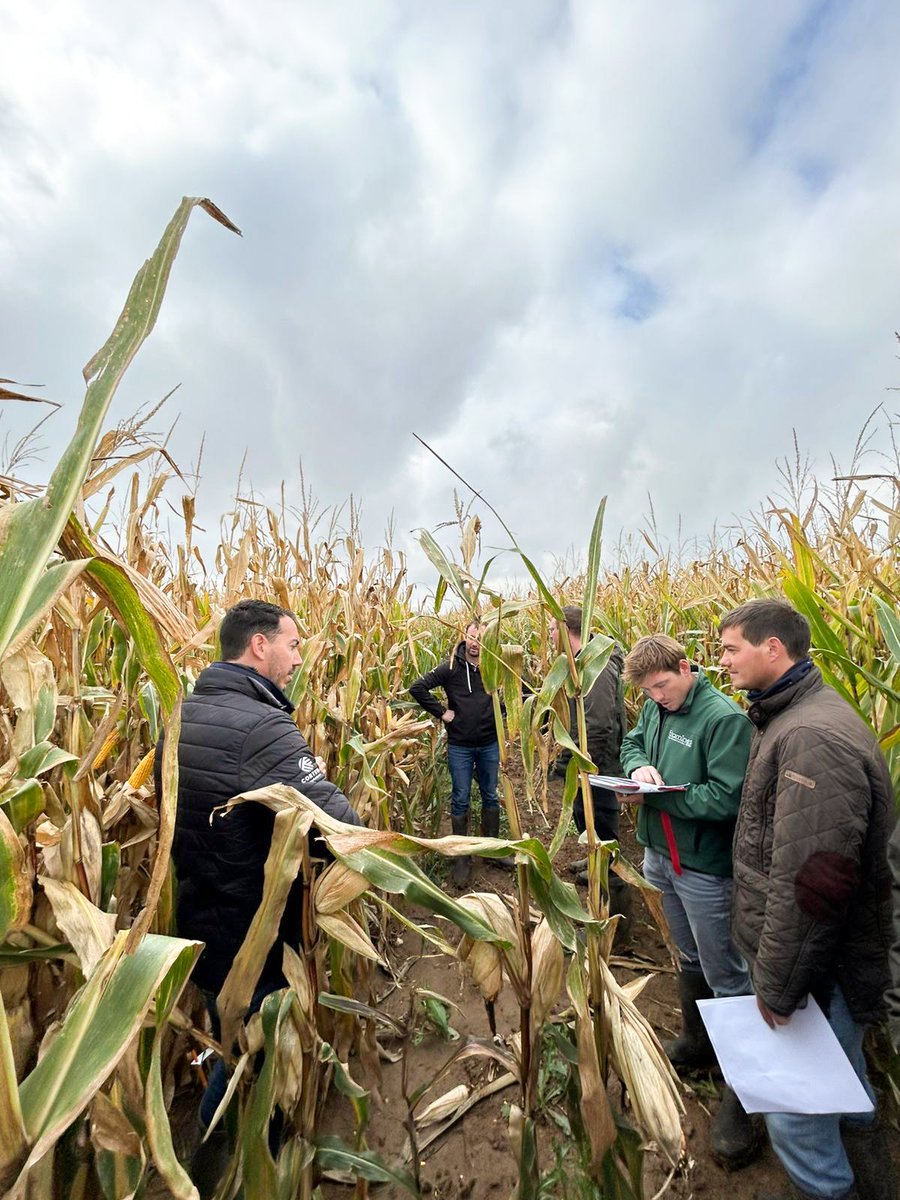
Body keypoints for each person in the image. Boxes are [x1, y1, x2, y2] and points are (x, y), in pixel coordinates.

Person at [161, 599, 362, 1195]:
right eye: (293, 646)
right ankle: (245, 1170)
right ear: (258, 646)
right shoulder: (264, 728)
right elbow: (341, 830)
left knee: (229, 1046)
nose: (298, 659)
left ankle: (210, 1163)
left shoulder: (181, 715)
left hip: (199, 923)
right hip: (258, 933)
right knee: (260, 1061)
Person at [720, 598, 893, 1200]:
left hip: (822, 969)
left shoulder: (811, 737)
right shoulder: (791, 716)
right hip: (827, 963)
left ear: (773, 648)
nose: (722, 661)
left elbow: (813, 885)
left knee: (795, 1115)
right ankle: (870, 1154)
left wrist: (779, 986)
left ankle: (833, 1187)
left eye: (731, 649)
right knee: (843, 1074)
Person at [619, 633, 757, 1168]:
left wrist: (661, 798)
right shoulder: (657, 708)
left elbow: (727, 797)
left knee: (727, 973)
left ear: (685, 667)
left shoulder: (722, 720)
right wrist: (637, 770)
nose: (657, 697)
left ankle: (743, 1093)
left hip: (703, 869)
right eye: (648, 692)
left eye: (662, 686)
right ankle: (698, 1042)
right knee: (690, 956)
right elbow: (633, 741)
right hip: (659, 856)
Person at [410, 620, 502, 886]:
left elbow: (519, 690)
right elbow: (417, 687)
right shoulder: (451, 667)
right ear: (465, 637)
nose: (475, 643)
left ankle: (492, 850)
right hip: (460, 745)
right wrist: (442, 712)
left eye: (481, 638)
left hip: (489, 743)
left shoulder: (495, 666)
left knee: (490, 794)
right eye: (472, 637)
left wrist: (504, 713)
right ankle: (462, 856)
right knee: (461, 798)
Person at [550, 606, 629, 914]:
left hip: (598, 765)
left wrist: (571, 761)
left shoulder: (597, 665)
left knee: (604, 829)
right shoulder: (578, 662)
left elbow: (597, 725)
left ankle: (614, 910)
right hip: (585, 762)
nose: (550, 636)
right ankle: (593, 858)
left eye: (553, 629)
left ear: (565, 629)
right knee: (586, 818)